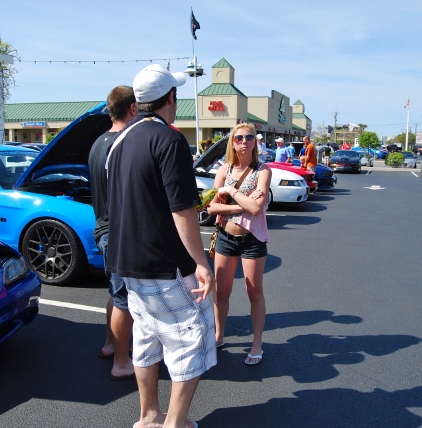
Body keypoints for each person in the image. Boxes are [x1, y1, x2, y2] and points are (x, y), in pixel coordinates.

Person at [105, 64, 216, 428]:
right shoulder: (169, 140)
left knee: (147, 337)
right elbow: (182, 210)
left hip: (126, 263)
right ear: (171, 97)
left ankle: (149, 416)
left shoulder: (119, 141)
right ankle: (175, 423)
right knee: (192, 338)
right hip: (165, 264)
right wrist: (201, 263)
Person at [206, 123, 271, 365]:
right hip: (226, 237)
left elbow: (256, 208)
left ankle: (257, 344)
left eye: (249, 137)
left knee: (254, 292)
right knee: (221, 291)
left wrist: (230, 192)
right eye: (239, 138)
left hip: (252, 239)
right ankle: (219, 335)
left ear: (255, 142)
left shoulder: (262, 171)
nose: (244, 141)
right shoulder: (224, 169)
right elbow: (211, 207)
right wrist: (241, 204)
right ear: (232, 143)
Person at [88, 85, 136, 380]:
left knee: (115, 293)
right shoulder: (122, 144)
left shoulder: (98, 143)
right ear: (132, 108)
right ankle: (121, 362)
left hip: (104, 229)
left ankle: (109, 345)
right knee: (124, 300)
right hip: (118, 234)